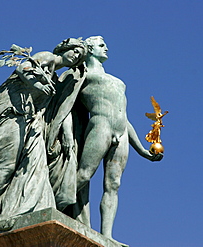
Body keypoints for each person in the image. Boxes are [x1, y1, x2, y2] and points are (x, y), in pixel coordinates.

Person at [0, 38, 87, 245]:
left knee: (13, 167)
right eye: (74, 51)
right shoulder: (47, 57)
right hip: (13, 114)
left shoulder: (54, 75)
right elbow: (22, 69)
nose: (76, 57)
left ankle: (1, 212)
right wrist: (37, 83)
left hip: (26, 120)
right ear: (64, 49)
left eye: (80, 56)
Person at [76, 36, 163, 240]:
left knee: (113, 184)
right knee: (84, 174)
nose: (106, 48)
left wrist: (142, 150)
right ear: (88, 49)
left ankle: (107, 236)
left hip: (121, 131)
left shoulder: (117, 81)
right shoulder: (81, 75)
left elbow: (124, 118)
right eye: (101, 45)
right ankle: (50, 203)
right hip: (101, 125)